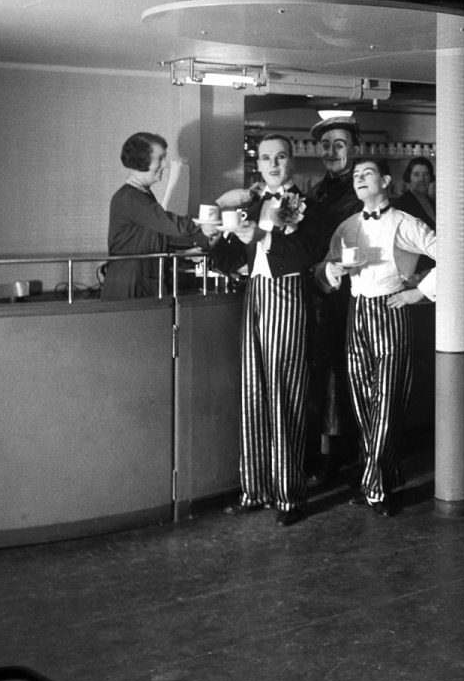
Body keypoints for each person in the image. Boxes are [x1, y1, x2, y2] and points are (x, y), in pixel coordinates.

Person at [210, 134, 340, 526]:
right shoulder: (249, 204)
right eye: (266, 158)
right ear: (258, 164)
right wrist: (214, 235)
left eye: (280, 157)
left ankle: (288, 494)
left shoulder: (311, 208)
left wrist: (264, 236)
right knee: (253, 392)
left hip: (289, 296)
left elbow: (309, 254)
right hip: (255, 295)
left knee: (286, 394)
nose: (273, 164)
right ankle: (255, 488)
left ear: (291, 163)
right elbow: (230, 259)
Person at [317, 157, 437, 517]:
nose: (358, 178)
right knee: (363, 401)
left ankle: (374, 486)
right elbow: (323, 273)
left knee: (386, 401)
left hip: (391, 311)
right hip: (357, 315)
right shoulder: (347, 225)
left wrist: (418, 293)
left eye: (366, 173)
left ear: (385, 181)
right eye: (355, 175)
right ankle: (387, 475)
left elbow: (450, 253)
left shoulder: (403, 222)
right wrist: (332, 271)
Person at [304, 116, 362, 488]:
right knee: (324, 374)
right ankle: (328, 454)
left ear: (355, 149)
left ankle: (352, 454)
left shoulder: (362, 191)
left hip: (355, 295)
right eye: (326, 146)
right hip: (321, 294)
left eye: (339, 144)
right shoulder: (314, 192)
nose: (332, 152)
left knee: (351, 374)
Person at [101, 132, 217, 300]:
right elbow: (171, 224)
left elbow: (155, 237)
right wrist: (208, 221)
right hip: (130, 284)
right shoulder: (130, 198)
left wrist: (186, 252)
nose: (164, 165)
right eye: (160, 158)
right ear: (142, 161)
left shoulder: (141, 196)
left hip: (141, 281)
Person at [393, 156, 435, 228]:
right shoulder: (401, 204)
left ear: (430, 177)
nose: (421, 179)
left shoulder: (432, 201)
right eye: (416, 174)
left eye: (426, 174)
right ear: (409, 177)